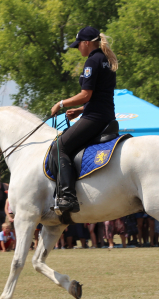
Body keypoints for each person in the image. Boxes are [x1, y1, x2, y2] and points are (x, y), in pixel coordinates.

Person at [47, 26, 117, 213]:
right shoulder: (106, 59)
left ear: (87, 43)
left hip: (94, 118)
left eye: (79, 45)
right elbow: (99, 96)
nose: (78, 48)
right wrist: (79, 110)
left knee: (59, 147)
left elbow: (86, 94)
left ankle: (67, 196)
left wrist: (61, 104)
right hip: (106, 115)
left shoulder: (92, 61)